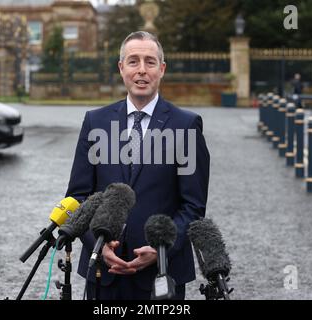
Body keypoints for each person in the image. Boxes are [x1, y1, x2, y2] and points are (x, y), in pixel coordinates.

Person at [65, 31, 210, 300]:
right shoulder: (95, 122)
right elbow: (77, 197)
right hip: (103, 274)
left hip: (162, 273)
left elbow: (193, 205)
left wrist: (163, 247)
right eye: (133, 61)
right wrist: (97, 246)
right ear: (121, 68)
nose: (141, 70)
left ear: (162, 69)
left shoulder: (186, 125)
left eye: (150, 62)